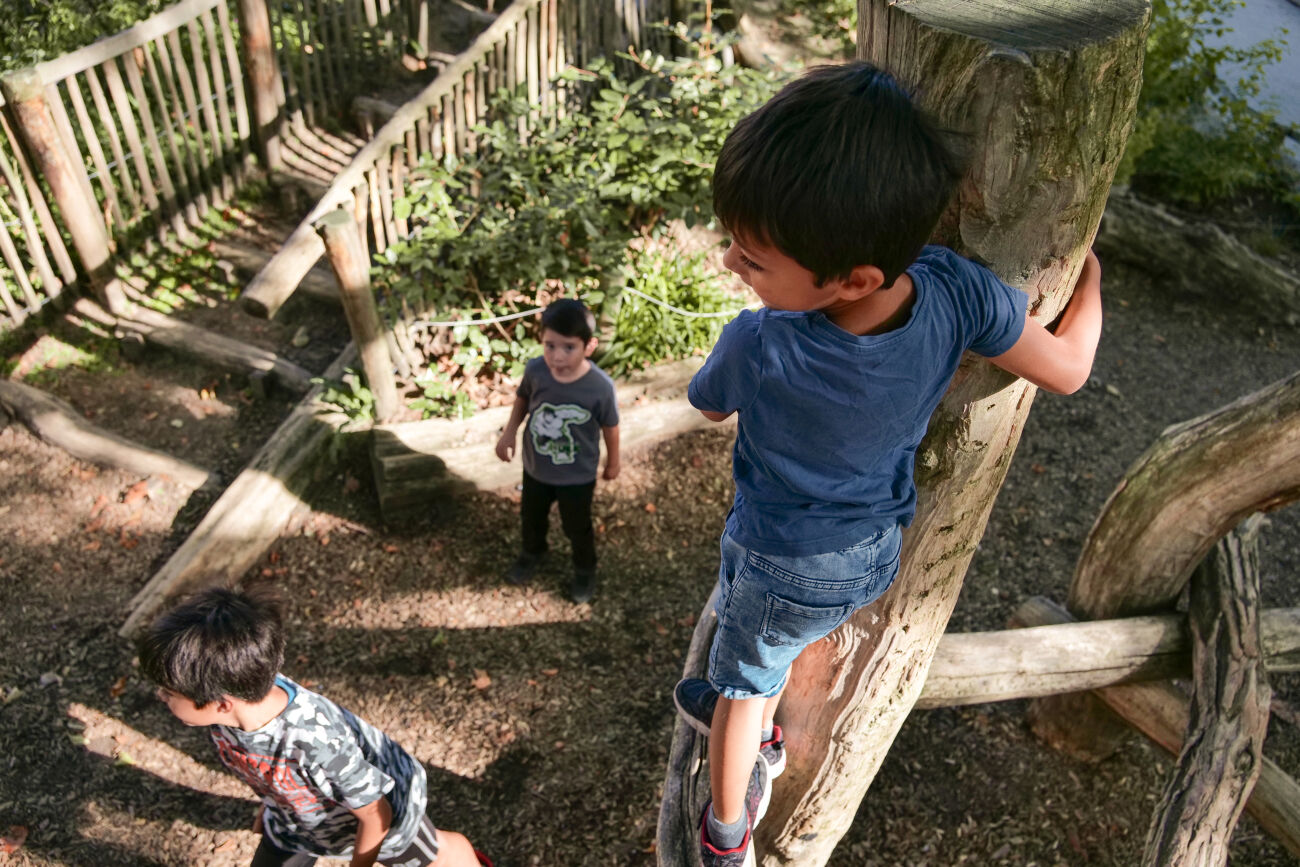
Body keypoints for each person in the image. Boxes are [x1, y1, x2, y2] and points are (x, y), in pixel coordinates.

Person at [672, 61, 1103, 866]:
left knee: (744, 683)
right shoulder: (952, 291)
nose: (732, 264)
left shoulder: (759, 342)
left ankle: (727, 826)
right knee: (759, 629)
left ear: (852, 277)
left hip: (782, 552)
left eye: (753, 259)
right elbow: (1069, 368)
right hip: (870, 550)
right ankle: (745, 690)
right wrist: (1092, 281)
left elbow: (706, 403)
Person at [138, 586, 492, 867]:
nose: (161, 696)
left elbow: (375, 814)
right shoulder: (237, 697)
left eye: (168, 692)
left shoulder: (316, 743)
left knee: (438, 858)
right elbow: (267, 764)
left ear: (221, 702)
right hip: (298, 821)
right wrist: (273, 801)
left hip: (384, 819)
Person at [495, 298, 621, 603]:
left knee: (577, 526)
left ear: (588, 346)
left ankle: (584, 569)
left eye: (568, 347)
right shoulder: (536, 370)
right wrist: (509, 432)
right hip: (536, 467)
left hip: (577, 476)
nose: (556, 356)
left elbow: (610, 426)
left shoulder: (599, 387)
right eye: (549, 345)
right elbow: (523, 399)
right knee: (531, 516)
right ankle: (532, 552)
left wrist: (613, 461)